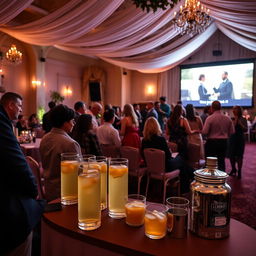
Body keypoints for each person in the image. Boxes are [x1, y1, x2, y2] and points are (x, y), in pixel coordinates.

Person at [0, 92, 44, 255]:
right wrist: (34, 191)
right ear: (10, 105)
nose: (21, 109)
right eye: (19, 105)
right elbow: (18, 164)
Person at [40, 104, 81, 201]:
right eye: (72, 121)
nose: (73, 124)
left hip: (49, 189)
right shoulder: (70, 143)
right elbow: (79, 173)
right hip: (66, 193)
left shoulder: (44, 138)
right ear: (65, 123)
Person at [141, 117, 194, 194]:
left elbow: (143, 155)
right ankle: (189, 182)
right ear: (157, 126)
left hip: (151, 168)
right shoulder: (161, 139)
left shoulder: (144, 141)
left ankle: (187, 183)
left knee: (183, 165)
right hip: (166, 167)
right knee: (181, 159)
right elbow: (169, 156)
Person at [202, 101, 234, 172]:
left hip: (212, 142)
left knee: (210, 163)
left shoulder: (210, 118)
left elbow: (204, 132)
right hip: (224, 142)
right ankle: (221, 180)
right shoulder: (227, 118)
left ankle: (211, 179)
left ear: (212, 108)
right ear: (220, 107)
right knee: (221, 161)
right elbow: (232, 132)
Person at [228, 106, 248, 178]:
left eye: (235, 109)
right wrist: (235, 120)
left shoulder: (243, 119)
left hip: (240, 139)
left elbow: (246, 129)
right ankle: (233, 169)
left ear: (239, 111)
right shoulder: (231, 119)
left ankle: (239, 171)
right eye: (233, 109)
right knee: (231, 155)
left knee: (239, 156)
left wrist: (240, 124)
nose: (234, 111)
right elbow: (231, 129)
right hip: (232, 138)